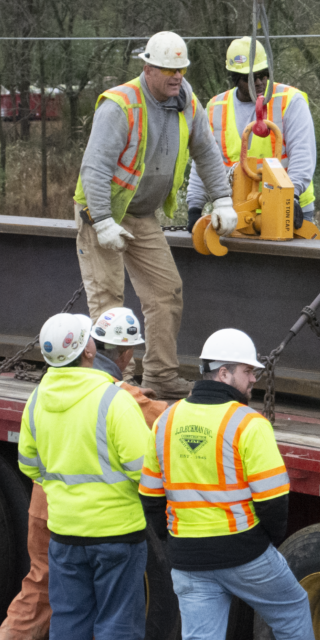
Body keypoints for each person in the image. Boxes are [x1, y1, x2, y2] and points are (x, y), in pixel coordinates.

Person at [140, 330, 320, 640]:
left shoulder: (166, 421)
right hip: (244, 553)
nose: (254, 378)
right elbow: (273, 500)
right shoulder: (248, 424)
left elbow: (150, 496)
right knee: (292, 609)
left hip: (187, 558)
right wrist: (265, 542)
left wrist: (174, 541)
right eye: (247, 371)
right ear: (224, 373)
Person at [0, 308, 166, 640]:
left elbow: (29, 463)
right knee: (116, 626)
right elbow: (145, 469)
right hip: (115, 533)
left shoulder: (37, 398)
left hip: (61, 528)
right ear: (87, 350)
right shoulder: (115, 399)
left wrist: (66, 489)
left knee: (66, 618)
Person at [74, 30, 237, 399]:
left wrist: (223, 200)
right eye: (167, 69)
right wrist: (101, 221)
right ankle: (116, 383)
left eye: (180, 69)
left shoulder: (186, 99)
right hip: (101, 213)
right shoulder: (121, 105)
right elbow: (95, 168)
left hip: (141, 214)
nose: (176, 77)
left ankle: (161, 375)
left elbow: (207, 152)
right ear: (147, 68)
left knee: (166, 291)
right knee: (108, 302)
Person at [186, 37, 318, 228]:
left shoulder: (290, 101)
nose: (259, 82)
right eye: (250, 77)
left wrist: (293, 197)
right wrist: (195, 208)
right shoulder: (215, 108)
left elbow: (303, 155)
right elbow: (204, 162)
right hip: (238, 212)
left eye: (263, 74)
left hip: (289, 207)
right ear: (234, 78)